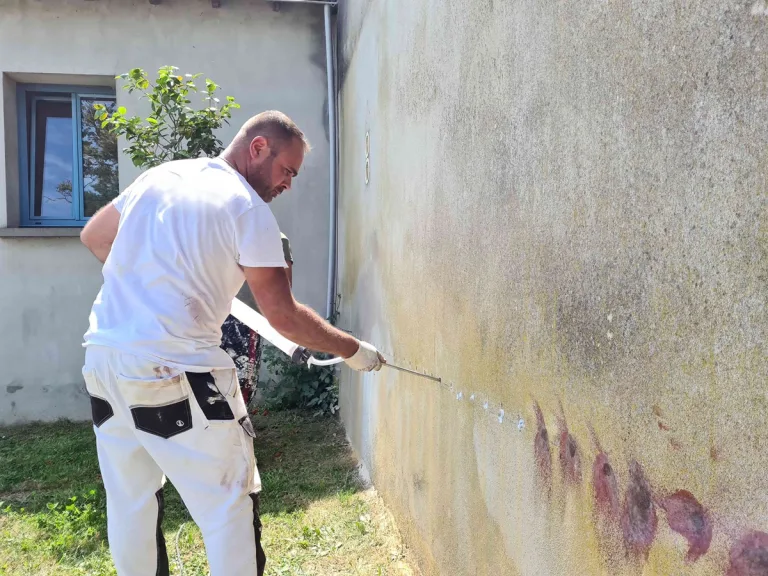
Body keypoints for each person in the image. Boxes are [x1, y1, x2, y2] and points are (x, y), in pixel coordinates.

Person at [79, 110, 384, 576]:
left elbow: (95, 235)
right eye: (287, 170)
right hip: (175, 371)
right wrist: (353, 350)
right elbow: (283, 315)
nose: (288, 185)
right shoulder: (247, 208)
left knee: (130, 501)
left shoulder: (162, 177)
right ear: (258, 147)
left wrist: (158, 285)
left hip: (104, 362)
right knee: (228, 510)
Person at [220, 231, 293, 405]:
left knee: (240, 388)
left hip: (245, 322)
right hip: (215, 319)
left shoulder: (275, 238)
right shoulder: (216, 232)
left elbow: (283, 294)